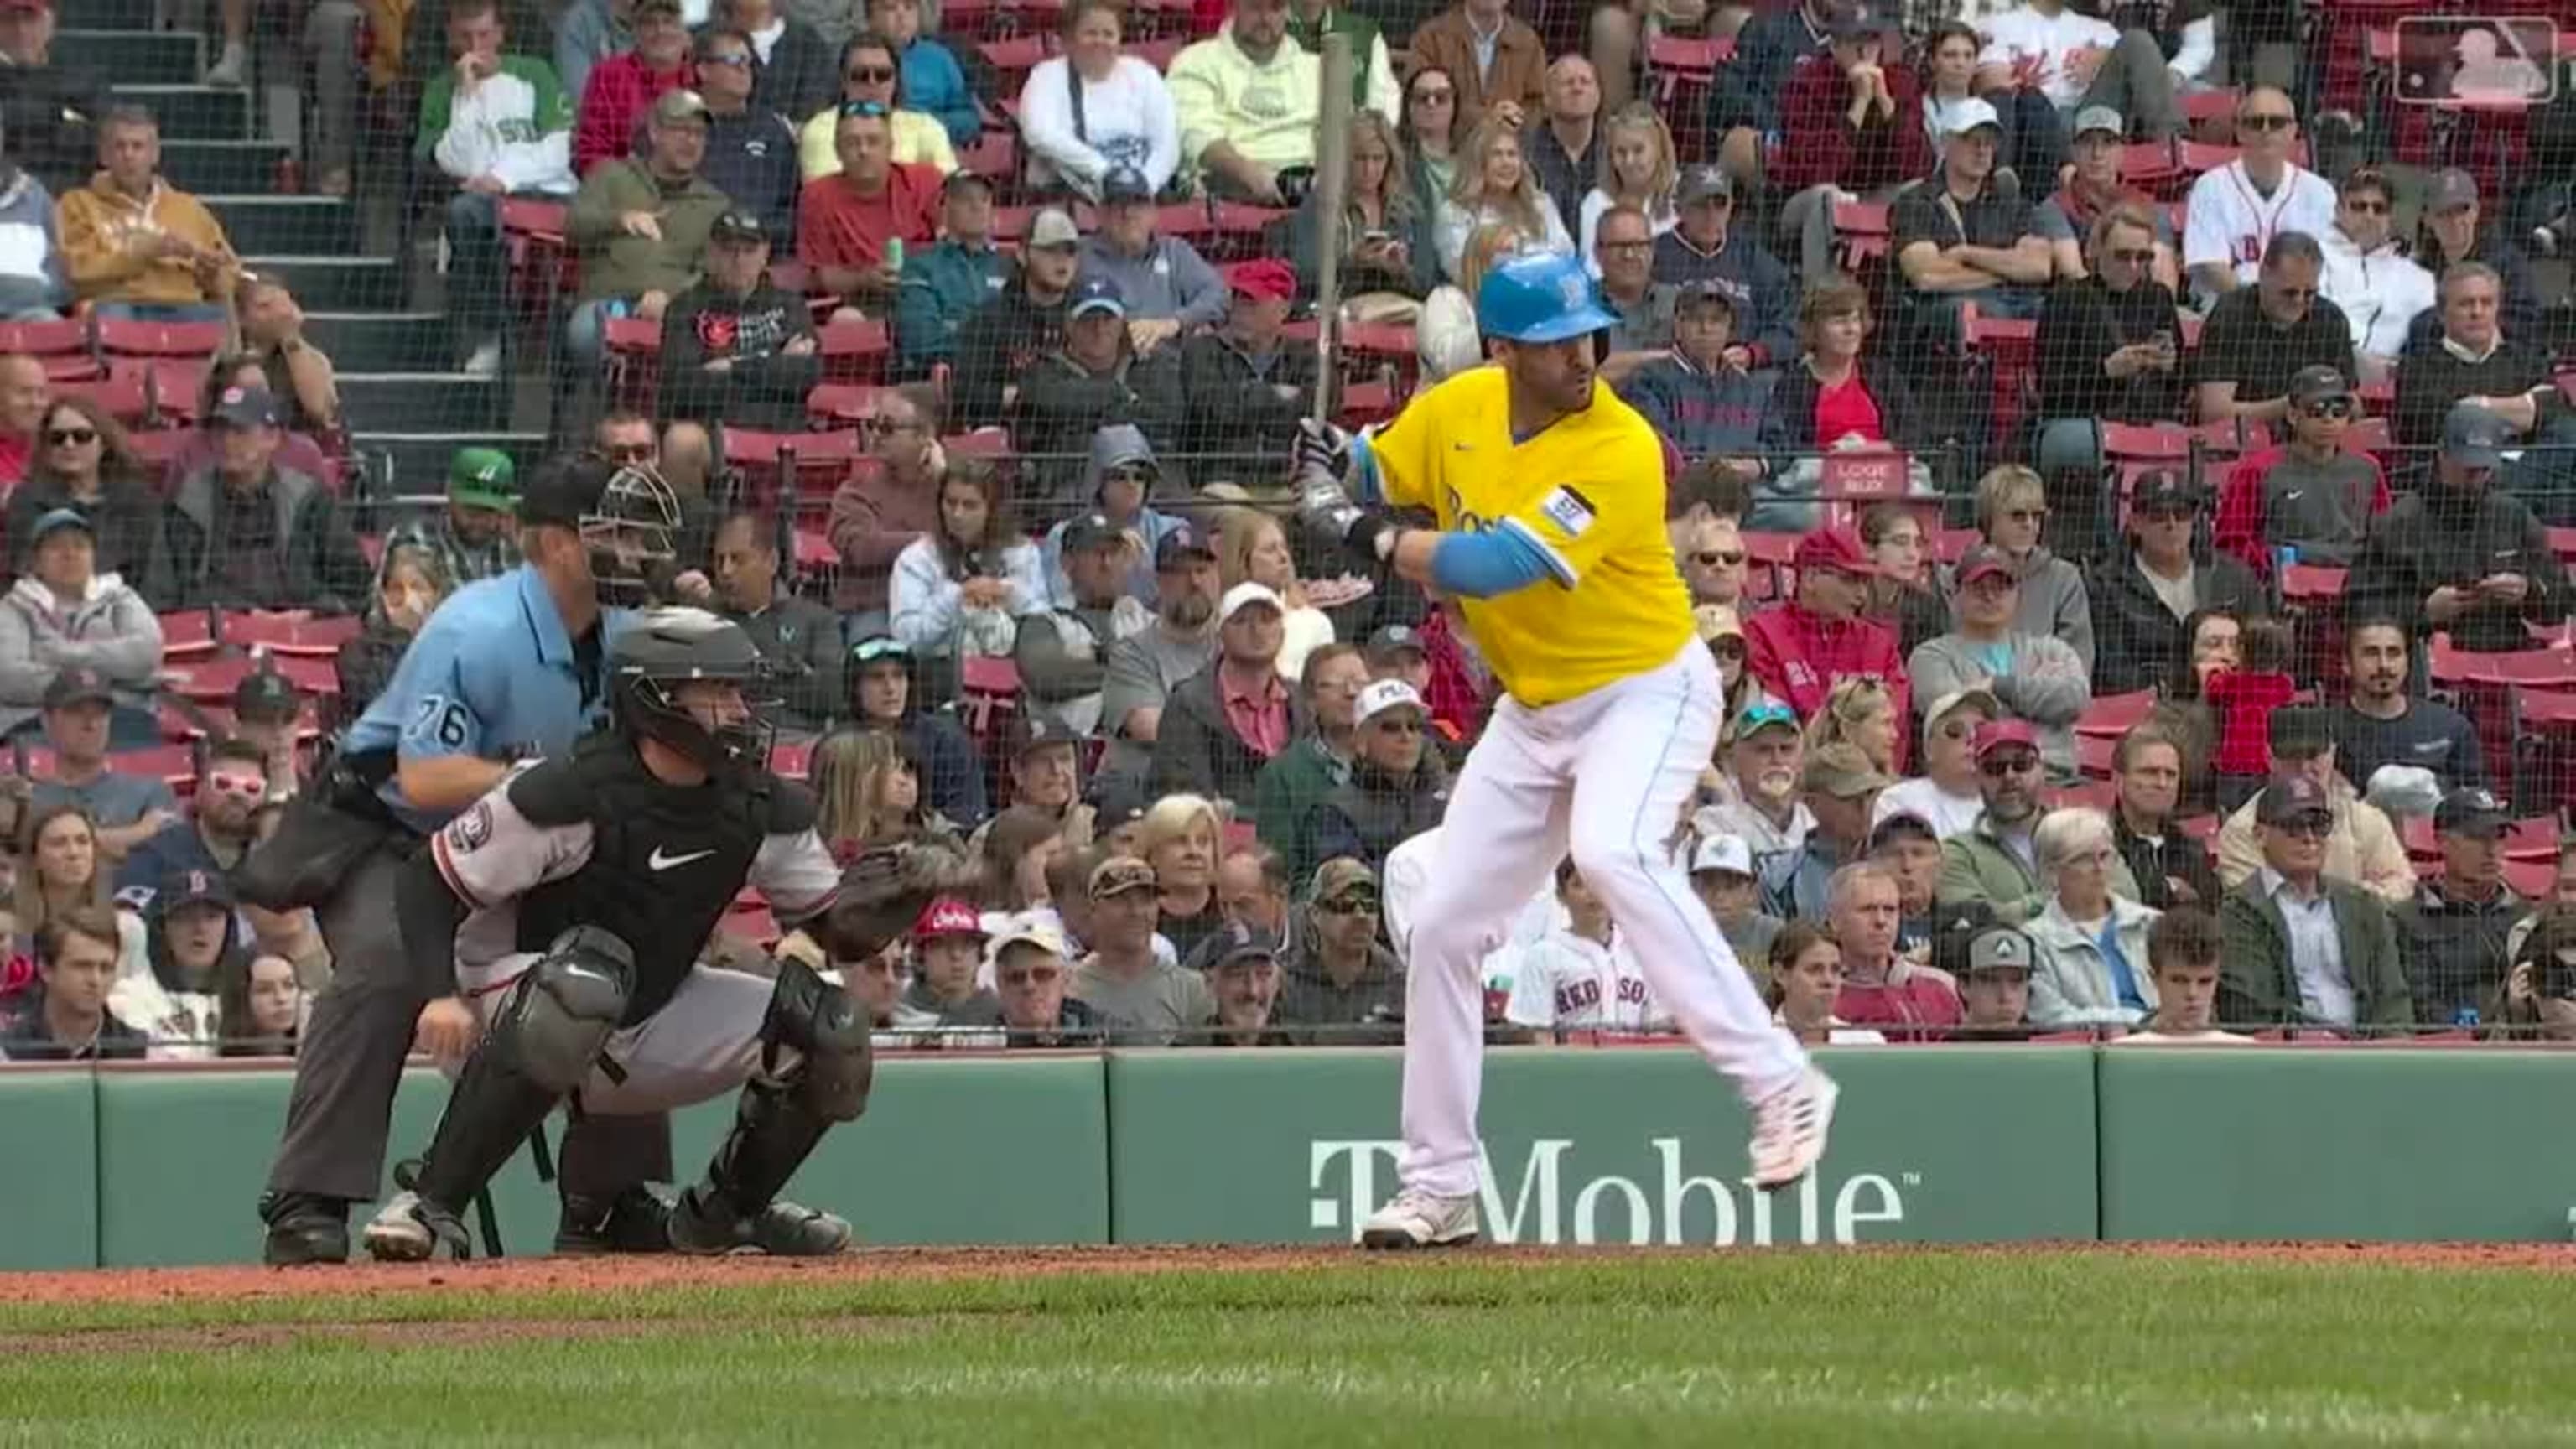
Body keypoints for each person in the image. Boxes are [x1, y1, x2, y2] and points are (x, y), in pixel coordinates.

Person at [1292, 249, 1833, 1250]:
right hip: (1535, 709)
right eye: (1552, 343)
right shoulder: (1459, 408)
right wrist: (1330, 457)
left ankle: (1781, 1080)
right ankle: (1441, 1183)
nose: (1580, 354)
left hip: (1646, 689)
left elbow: (1499, 566)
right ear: (1503, 351)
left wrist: (1363, 534)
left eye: (1586, 333)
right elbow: (1379, 462)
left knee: (1618, 851)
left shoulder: (1620, 445)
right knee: (1448, 925)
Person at [357, 609, 901, 1263]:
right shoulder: (568, 791)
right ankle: (432, 1199)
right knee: (586, 980)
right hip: (506, 1005)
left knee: (832, 1025)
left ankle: (723, 1216)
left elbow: (834, 930)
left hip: (649, 1005)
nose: (739, 711)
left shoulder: (758, 804)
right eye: (720, 693)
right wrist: (437, 996)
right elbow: (426, 883)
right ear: (659, 701)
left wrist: (906, 892)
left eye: (739, 693)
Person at [249, 454, 686, 1267]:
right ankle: (308, 1200)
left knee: (614, 959)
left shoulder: (628, 630)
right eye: (614, 532)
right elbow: (425, 775)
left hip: (525, 846)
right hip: (393, 831)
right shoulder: (475, 627)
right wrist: (543, 782)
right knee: (384, 967)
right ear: (557, 544)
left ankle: (616, 1198)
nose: (635, 546)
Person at [419, 0, 579, 377]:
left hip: (549, 193)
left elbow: (559, 148)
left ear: (501, 34)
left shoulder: (534, 73)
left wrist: (503, 176)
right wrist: (467, 95)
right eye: (466, 36)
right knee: (464, 213)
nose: (476, 45)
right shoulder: (442, 89)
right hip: (484, 203)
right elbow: (451, 161)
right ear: (450, 37)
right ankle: (490, 335)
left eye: (485, 34)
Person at [2348, 402, 2565, 654]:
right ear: (2442, 454)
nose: (2476, 477)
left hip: (2506, 650)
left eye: (2484, 469)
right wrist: (2424, 611)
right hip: (2425, 653)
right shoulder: (2399, 523)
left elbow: (2560, 600)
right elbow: (2358, 606)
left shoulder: (2514, 516)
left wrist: (2528, 591)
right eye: (2468, 467)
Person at [2215, 774, 2413, 1031]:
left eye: (2319, 824)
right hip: (2287, 1058)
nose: (2309, 837)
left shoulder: (2364, 905)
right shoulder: (2240, 910)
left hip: (2368, 1058)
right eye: (2293, 825)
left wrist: (2388, 1054)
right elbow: (2252, 1010)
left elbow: (2394, 1002)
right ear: (2260, 835)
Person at [151, 387, 374, 615]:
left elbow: (357, 585)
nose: (227, 441)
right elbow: (162, 595)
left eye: (239, 430)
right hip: (219, 633)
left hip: (300, 635)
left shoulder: (309, 500)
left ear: (272, 437)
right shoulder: (187, 502)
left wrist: (313, 613)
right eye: (220, 430)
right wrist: (241, 614)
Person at [564, 90, 729, 385]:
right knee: (585, 333)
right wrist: (619, 219)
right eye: (680, 130)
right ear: (654, 132)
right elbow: (575, 225)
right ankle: (612, 418)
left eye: (699, 134)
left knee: (712, 342)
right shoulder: (611, 175)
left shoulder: (714, 203)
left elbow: (715, 271)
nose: (691, 141)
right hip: (611, 302)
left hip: (680, 314)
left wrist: (672, 297)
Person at [2032, 204, 2184, 507]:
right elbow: (2049, 386)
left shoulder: (2158, 298)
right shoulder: (2066, 299)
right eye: (2122, 255)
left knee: (2186, 449)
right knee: (2101, 448)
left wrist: (2172, 365)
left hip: (2148, 417)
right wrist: (2105, 371)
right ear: (2096, 251)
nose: (2132, 266)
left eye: (2143, 257)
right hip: (2079, 419)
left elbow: (2181, 386)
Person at [1888, 98, 2049, 375]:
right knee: (1976, 308)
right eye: (1971, 140)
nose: (1982, 150)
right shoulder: (1917, 201)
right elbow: (1926, 276)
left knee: (2059, 311)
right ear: (1946, 143)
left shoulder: (2010, 202)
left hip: (2010, 302)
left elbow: (2039, 267)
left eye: (1989, 142)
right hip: (1936, 312)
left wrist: (1966, 255)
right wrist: (2007, 270)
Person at [1773, 7, 1929, 282]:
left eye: (1872, 42)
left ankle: (1908, 300)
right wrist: (1858, 107)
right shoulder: (1806, 84)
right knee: (1828, 196)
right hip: (1804, 204)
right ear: (1833, 46)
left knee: (1919, 193)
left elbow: (1916, 166)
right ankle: (1821, 299)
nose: (1865, 52)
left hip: (1876, 195)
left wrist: (1885, 105)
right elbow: (1815, 172)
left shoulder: (1900, 82)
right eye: (1855, 43)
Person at [1909, 545, 2091, 777]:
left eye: (2001, 587)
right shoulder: (1930, 657)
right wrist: (2040, 703)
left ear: (2018, 594)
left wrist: (1998, 686)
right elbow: (1955, 718)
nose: (1990, 596)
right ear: (1956, 595)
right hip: (1976, 783)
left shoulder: (2050, 649)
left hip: (2055, 778)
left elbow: (2075, 699)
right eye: (1978, 587)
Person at [1007, 276, 1189, 510]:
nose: (1099, 329)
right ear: (1069, 325)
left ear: (1122, 322)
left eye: (1108, 318)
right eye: (1088, 319)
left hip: (1151, 490)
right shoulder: (1043, 371)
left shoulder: (1150, 365)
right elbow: (1049, 403)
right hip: (1071, 493)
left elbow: (1168, 417)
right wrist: (1120, 396)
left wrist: (1086, 420)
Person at [1754, 276, 1922, 525]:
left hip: (1882, 473)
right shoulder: (1792, 384)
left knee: (1919, 493)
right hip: (1820, 481)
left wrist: (1868, 450)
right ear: (1814, 329)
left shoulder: (1882, 374)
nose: (1851, 329)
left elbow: (1913, 434)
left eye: (1855, 319)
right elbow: (1786, 449)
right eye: (1839, 320)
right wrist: (1835, 453)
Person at [1938, 719, 2141, 922]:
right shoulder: (1957, 852)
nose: (2009, 776)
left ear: (2041, 769)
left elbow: (2128, 896)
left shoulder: (2083, 832)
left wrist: (2020, 909)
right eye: (1994, 768)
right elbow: (1974, 921)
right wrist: (2069, 896)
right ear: (1977, 777)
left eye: (2021, 764)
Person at [2390, 262, 2568, 493]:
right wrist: (2523, 410)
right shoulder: (2418, 366)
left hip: (2529, 471)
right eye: (2466, 303)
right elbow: (2437, 425)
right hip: (2456, 482)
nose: (2478, 312)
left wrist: (2480, 405)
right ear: (2442, 314)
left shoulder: (2523, 358)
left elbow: (2555, 408)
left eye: (2487, 302)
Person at [2213, 706, 2416, 905]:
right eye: (2291, 756)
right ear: (2269, 758)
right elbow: (2258, 907)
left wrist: (2348, 906)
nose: (2304, 768)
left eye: (2313, 755)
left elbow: (2401, 885)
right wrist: (2355, 902)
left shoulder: (2366, 819)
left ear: (2332, 754)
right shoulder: (2241, 831)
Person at [2090, 470, 2265, 696]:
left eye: (2182, 513)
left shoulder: (2235, 577)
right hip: (2145, 715)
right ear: (2134, 523)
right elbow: (2113, 674)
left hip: (2228, 704)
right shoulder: (2105, 587)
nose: (2171, 524)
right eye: (2158, 514)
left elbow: (2260, 652)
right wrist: (2189, 682)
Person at [56, 106, 236, 323]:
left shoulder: (190, 209)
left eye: (138, 146)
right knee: (112, 315)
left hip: (182, 305)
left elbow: (231, 276)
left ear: (155, 154)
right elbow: (74, 272)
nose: (129, 155)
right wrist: (141, 254)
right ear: (104, 155)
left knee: (216, 317)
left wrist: (211, 274)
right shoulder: (77, 204)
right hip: (116, 305)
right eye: (119, 147)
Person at [2210, 366, 2389, 577]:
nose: (2329, 419)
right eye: (2317, 409)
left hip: (2354, 584)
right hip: (2278, 583)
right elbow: (2232, 543)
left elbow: (2385, 538)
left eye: (2339, 411)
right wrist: (2273, 564)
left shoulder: (2368, 468)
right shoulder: (2255, 470)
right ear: (2293, 415)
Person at [0, 508, 160, 741]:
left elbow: (147, 652)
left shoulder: (121, 598)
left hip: (121, 717)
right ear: (35, 562)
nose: (69, 554)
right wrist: (102, 685)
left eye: (80, 546)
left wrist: (58, 654)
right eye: (56, 547)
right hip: (35, 724)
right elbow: (9, 677)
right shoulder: (13, 607)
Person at [658, 210, 823, 434]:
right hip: (712, 431)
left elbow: (806, 375)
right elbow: (684, 388)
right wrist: (774, 365)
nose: (738, 261)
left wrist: (732, 367)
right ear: (711, 253)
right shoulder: (685, 307)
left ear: (765, 254)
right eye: (728, 250)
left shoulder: (790, 305)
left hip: (783, 431)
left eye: (749, 251)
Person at [1741, 526, 1908, 726]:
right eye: (1850, 580)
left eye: (1865, 582)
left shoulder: (1879, 645)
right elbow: (1774, 724)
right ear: (1810, 578)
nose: (1862, 594)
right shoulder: (1764, 633)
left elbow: (1892, 728)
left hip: (1863, 758)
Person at [1015, 0, 1181, 201]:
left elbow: (1167, 142)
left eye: (1108, 34)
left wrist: (1146, 183)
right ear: (1069, 39)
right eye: (1091, 33)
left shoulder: (1143, 74)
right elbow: (1039, 134)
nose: (1100, 41)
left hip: (1141, 195)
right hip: (1071, 195)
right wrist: (1103, 172)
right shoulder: (1046, 76)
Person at [697, 512, 843, 740]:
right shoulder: (704, 620)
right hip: (728, 742)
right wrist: (791, 671)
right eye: (719, 560)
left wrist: (751, 677)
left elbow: (829, 695)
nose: (725, 571)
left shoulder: (816, 619)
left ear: (772, 562)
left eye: (737, 559)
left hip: (797, 742)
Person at [2180, 87, 2337, 298]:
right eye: (2256, 123)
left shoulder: (2319, 192)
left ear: (2293, 131)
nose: (2266, 130)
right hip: (2230, 310)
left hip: (2300, 308)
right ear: (2239, 131)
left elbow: (2327, 267)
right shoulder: (2210, 187)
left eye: (2276, 123)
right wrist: (2258, 307)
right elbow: (2210, 267)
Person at [1098, 527, 1223, 784]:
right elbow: (1154, 730)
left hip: (1222, 782)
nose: (1195, 582)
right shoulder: (1131, 652)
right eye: (1180, 573)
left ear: (1218, 577)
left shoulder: (1232, 645)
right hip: (1150, 790)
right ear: (1159, 582)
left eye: (1202, 570)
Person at [1150, 581, 1293, 807]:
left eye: (1267, 620)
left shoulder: (1301, 701)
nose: (1256, 630)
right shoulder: (1189, 704)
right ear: (1220, 634)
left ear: (1283, 633)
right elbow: (1184, 795)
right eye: (1241, 621)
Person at [1166, 0, 1322, 204]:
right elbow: (1197, 138)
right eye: (1255, 7)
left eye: (1275, 8)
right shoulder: (1195, 62)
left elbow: (1336, 138)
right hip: (1226, 197)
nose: (1265, 19)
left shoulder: (1315, 68)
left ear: (1288, 12)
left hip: (1310, 197)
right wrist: (1247, 174)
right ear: (1234, 6)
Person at [2396, 785, 2527, 1026]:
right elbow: (2422, 1008)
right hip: (2449, 1051)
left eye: (2499, 836)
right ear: (2442, 842)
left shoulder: (2524, 916)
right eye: (2477, 837)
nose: (2491, 850)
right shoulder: (2409, 919)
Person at [2190, 231, 2353, 426]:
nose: (2299, 302)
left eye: (2309, 294)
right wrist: (2291, 406)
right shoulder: (2231, 315)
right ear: (2263, 275)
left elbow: (2352, 399)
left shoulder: (2330, 319)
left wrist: (2339, 404)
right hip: (2243, 441)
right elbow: (2213, 413)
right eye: (2289, 293)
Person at [798, 101, 942, 318]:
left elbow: (952, 245)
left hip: (927, 293)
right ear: (837, 150)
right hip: (861, 303)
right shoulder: (817, 196)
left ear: (890, 148)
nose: (863, 151)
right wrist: (864, 279)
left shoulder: (926, 181)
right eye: (852, 143)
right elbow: (821, 276)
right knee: (846, 319)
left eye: (873, 142)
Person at [2021, 806, 2160, 1028]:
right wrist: (2137, 1021)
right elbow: (2050, 1017)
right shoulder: (2034, 940)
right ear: (2052, 871)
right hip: (2088, 1055)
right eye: (2083, 859)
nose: (2099, 868)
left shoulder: (2152, 923)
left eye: (2105, 856)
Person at [1649, 168, 1794, 369]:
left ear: (1731, 208)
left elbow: (1789, 323)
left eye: (1720, 205)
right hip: (1673, 373)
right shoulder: (1654, 256)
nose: (1711, 215)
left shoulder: (1752, 259)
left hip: (1742, 376)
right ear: (1678, 208)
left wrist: (1754, 353)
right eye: (1700, 205)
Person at [1289, 112, 1437, 309]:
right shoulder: (1322, 204)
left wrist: (1402, 271)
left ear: (1390, 160)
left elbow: (1427, 280)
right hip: (1336, 311)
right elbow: (1303, 274)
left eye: (1378, 159)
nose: (1369, 169)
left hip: (1397, 308)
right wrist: (1352, 262)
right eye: (1360, 159)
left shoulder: (1408, 208)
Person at [949, 209, 1080, 432]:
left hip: (1078, 431)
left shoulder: (1090, 316)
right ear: (1022, 254)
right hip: (1008, 433)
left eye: (1069, 251)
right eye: (1050, 250)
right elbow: (966, 394)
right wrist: (1027, 397)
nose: (1062, 260)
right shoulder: (990, 320)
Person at [5, 397, 155, 588]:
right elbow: (25, 576)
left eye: (82, 436)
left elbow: (155, 580)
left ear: (104, 444)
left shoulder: (137, 501)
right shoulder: (27, 501)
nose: (69, 444)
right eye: (57, 438)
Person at [1305, 678, 1450, 875]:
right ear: (1360, 741)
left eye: (1414, 726)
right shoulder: (1334, 811)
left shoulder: (1446, 798)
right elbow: (1349, 888)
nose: (1406, 737)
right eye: (1391, 727)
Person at [1179, 260, 1315, 467]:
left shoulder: (1303, 355)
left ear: (1283, 311)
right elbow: (1211, 410)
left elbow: (1316, 409)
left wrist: (1242, 397)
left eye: (1252, 303)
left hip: (1288, 476)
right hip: (1220, 476)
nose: (1241, 311)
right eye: (1237, 299)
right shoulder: (1202, 351)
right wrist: (1276, 395)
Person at [1507, 858, 1665, 1034]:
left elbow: (1658, 1029)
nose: (1592, 892)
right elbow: (1536, 1033)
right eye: (1579, 884)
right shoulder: (1544, 955)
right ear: (1561, 896)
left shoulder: (1643, 953)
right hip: (1572, 1060)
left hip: (1635, 1059)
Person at [1620, 283, 1773, 464]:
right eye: (1694, 319)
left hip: (1743, 489)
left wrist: (1758, 464)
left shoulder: (1750, 388)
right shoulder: (1648, 380)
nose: (1706, 328)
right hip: (1680, 488)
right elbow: (1657, 446)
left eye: (1716, 320)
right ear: (1677, 325)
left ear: (1729, 329)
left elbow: (1778, 443)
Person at [23, 668, 178, 845]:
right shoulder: (29, 800)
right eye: (76, 712)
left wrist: (54, 841)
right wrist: (138, 833)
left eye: (100, 713)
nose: (91, 724)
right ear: (46, 721)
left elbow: (166, 856)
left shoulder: (150, 792)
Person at [1070, 854, 1214, 1043]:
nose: (1136, 911)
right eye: (1122, 900)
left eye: (1146, 900)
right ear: (1094, 910)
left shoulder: (1190, 989)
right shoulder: (1069, 986)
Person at [2334, 620, 2483, 796]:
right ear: (2347, 664)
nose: (2384, 665)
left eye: (2394, 653)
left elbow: (2478, 801)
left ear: (2407, 662)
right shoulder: (2327, 732)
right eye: (2371, 653)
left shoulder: (2451, 727)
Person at [2033, 110, 2180, 288]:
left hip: (2142, 305)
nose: (2097, 154)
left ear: (2122, 152)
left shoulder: (2149, 207)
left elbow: (2164, 280)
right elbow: (2072, 272)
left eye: (2108, 143)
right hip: (2082, 309)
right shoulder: (2055, 207)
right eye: (2088, 143)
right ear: (2074, 151)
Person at [1971, 465, 2096, 673]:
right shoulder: (1960, 579)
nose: (2030, 525)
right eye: (2018, 516)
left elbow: (2077, 669)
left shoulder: (2064, 579)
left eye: (2036, 516)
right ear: (1989, 520)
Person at [2317, 166, 2433, 383]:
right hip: (2324, 370)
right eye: (2359, 207)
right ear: (2340, 211)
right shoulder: (2316, 255)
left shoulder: (2416, 277)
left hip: (2393, 378)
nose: (2369, 216)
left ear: (2390, 217)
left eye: (2379, 209)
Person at [797, 33, 958, 181]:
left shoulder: (926, 127)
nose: (872, 82)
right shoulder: (821, 129)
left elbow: (950, 192)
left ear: (895, 80)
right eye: (860, 75)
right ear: (843, 81)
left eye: (882, 75)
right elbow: (825, 194)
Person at [892, 172, 1007, 381]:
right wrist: (991, 349)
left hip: (1006, 379)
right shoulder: (919, 266)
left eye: (984, 199)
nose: (977, 206)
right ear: (944, 209)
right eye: (965, 199)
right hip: (936, 380)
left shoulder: (1010, 267)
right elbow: (922, 342)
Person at [1431, 116, 1575, 283]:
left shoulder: (1541, 204)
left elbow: (1566, 255)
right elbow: (1461, 270)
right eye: (1496, 155)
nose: (1506, 163)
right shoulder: (1454, 213)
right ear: (1479, 163)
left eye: (1512, 154)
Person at [1826, 860, 1962, 1037]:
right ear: (1835, 921)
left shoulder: (1941, 985)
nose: (1881, 921)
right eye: (1867, 909)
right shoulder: (1823, 994)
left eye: (1890, 910)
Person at [572, 0, 696, 179]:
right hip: (624, 189)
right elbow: (593, 150)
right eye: (649, 23)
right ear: (635, 33)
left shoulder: (702, 74)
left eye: (669, 22)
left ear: (684, 32)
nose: (660, 30)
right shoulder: (610, 75)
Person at [0, 906, 143, 1061]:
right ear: (45, 969)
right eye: (82, 966)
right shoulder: (7, 1054)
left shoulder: (143, 1052)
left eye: (106, 968)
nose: (96, 980)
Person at [335, 545, 454, 728]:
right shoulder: (356, 653)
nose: (408, 599)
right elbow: (379, 705)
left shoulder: (456, 652)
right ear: (383, 596)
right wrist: (404, 636)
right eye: (397, 589)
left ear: (436, 595)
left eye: (418, 588)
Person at [2109, 724, 2216, 911]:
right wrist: (2170, 888)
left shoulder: (2191, 850)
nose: (2162, 783)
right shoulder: (2101, 844)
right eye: (2149, 772)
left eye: (2171, 774)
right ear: (2119, 779)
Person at [384, 447, 522, 589]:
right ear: (449, 493)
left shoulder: (514, 546)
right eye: (471, 510)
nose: (480, 521)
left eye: (489, 511)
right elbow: (393, 606)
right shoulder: (415, 538)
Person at [1405, 0, 1545, 139]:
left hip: (1505, 153)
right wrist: (1486, 118)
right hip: (1447, 150)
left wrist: (1517, 119)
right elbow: (1418, 98)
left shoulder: (1528, 41)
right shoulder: (1431, 37)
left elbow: (1537, 103)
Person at [2107, 906, 2248, 1043]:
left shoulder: (2247, 1053)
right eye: (2179, 980)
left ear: (2217, 979)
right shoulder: (2122, 1052)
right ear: (2154, 978)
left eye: (2205, 981)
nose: (2192, 993)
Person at [1873, 688, 1995, 840]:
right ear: (1929, 748)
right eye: (1955, 731)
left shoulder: (2011, 804)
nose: (1971, 739)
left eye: (1982, 731)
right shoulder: (1900, 801)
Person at [1576, 103, 1680, 268]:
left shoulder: (1681, 193)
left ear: (1659, 150)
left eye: (1638, 150)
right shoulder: (1596, 202)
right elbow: (1592, 268)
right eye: (1620, 152)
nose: (1629, 161)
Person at [1764, 920, 1888, 1047]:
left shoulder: (1867, 1043)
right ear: (1780, 974)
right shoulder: (1756, 1045)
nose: (1828, 981)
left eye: (1835, 970)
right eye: (1814, 970)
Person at [1689, 832, 1783, 978]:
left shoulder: (1775, 935)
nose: (1719, 896)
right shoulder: (1676, 931)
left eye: (1730, 886)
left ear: (1752, 890)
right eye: (1708, 884)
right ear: (1693, 886)